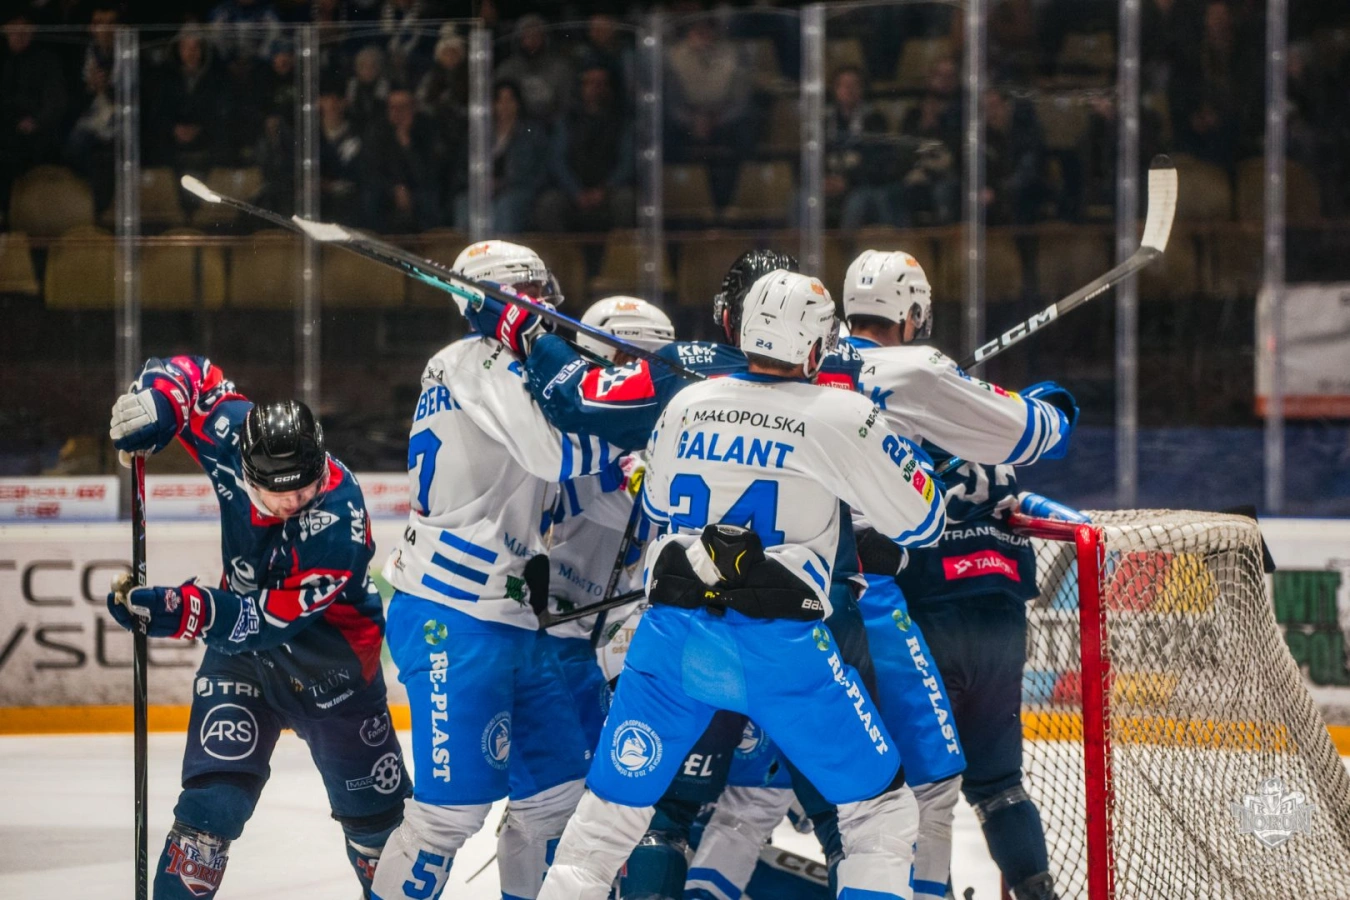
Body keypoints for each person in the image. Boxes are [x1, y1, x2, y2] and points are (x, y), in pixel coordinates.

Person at [539, 269, 947, 899]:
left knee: (604, 826)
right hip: (782, 652)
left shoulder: (685, 402)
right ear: (817, 344)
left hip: (672, 641)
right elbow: (924, 523)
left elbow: (659, 505)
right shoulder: (842, 412)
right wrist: (903, 456)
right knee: (880, 817)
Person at [105, 360, 408, 900]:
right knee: (207, 816)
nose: (295, 501)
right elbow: (192, 375)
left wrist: (188, 611)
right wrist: (162, 402)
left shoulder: (338, 520)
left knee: (379, 837)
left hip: (335, 674)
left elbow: (268, 620)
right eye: (278, 493)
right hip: (242, 663)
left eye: (306, 486)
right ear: (248, 473)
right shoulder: (232, 433)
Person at [370, 241, 616, 900]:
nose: (548, 310)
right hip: (454, 614)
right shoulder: (477, 362)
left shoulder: (501, 366)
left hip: (510, 615)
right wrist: (639, 435)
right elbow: (553, 454)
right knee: (450, 816)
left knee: (558, 800)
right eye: (533, 295)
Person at [840, 249, 1079, 900]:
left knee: (904, 789)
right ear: (913, 312)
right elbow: (1041, 432)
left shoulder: (821, 374)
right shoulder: (934, 382)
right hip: (990, 608)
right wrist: (1047, 402)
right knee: (992, 786)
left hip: (898, 605)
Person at [536, 297, 675, 746]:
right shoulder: (565, 439)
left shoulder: (665, 442)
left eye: (654, 364)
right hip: (561, 634)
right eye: (631, 362)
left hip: (620, 630)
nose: (641, 376)